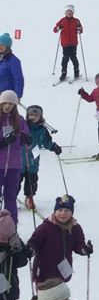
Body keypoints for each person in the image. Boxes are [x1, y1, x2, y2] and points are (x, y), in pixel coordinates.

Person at [0, 93, 30, 222]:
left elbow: (27, 139)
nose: (7, 106)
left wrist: (26, 139)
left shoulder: (20, 120)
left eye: (11, 104)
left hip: (14, 165)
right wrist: (2, 143)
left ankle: (11, 229)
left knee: (11, 197)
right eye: (5, 103)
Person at [53, 6, 82, 82]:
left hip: (73, 43)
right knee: (65, 58)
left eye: (71, 12)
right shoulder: (62, 21)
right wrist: (58, 28)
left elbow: (81, 30)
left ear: (73, 13)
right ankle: (63, 73)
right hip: (65, 43)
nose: (69, 13)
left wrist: (79, 29)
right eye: (68, 11)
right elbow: (55, 30)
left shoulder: (76, 21)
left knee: (73, 57)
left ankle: (76, 72)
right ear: (65, 13)